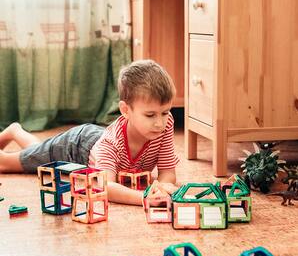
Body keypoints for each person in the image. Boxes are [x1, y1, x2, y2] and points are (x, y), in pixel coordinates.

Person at [0, 60, 179, 205]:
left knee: (38, 153)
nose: (160, 123)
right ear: (125, 110)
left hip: (96, 145)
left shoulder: (166, 123)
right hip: (75, 146)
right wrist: (144, 197)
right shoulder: (111, 143)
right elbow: (104, 186)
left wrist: (163, 188)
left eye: (165, 112)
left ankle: (16, 131)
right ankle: (14, 132)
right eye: (150, 115)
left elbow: (168, 171)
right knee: (7, 163)